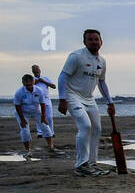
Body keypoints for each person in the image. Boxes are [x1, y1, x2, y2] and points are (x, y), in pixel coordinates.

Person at [56, 28, 114, 176]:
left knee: (97, 129)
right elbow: (62, 77)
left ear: (101, 42)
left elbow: (102, 83)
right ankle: (81, 165)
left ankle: (92, 163)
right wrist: (62, 99)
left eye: (96, 39)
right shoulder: (76, 56)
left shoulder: (102, 61)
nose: (94, 42)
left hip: (89, 98)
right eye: (90, 39)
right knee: (85, 126)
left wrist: (110, 102)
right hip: (72, 95)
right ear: (85, 41)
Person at [14, 74, 50, 158]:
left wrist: (43, 116)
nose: (29, 86)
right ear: (23, 83)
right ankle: (28, 150)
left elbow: (43, 103)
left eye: (30, 84)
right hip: (23, 112)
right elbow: (17, 106)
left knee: (45, 126)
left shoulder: (39, 90)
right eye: (27, 85)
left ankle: (50, 146)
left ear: (33, 83)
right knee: (25, 130)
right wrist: (22, 120)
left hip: (36, 110)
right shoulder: (19, 92)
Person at [28, 64, 56, 152]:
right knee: (39, 117)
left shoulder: (45, 78)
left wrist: (43, 81)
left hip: (47, 100)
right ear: (32, 71)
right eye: (34, 70)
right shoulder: (32, 79)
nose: (36, 71)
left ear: (40, 70)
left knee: (49, 117)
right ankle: (40, 132)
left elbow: (54, 86)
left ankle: (51, 132)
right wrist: (36, 81)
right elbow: (29, 86)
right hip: (37, 100)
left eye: (37, 69)